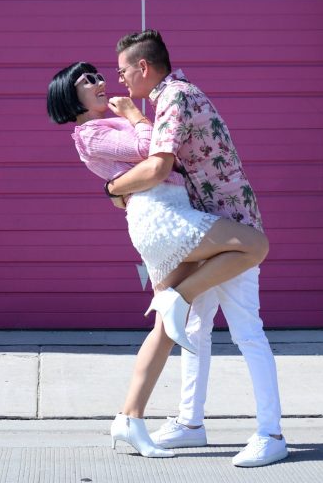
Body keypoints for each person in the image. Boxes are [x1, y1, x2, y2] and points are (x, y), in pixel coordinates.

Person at [47, 60, 269, 459]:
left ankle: (129, 418)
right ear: (69, 96)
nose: (99, 82)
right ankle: (178, 300)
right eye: (87, 81)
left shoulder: (106, 126)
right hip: (162, 218)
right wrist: (135, 115)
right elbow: (151, 152)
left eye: (98, 76)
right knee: (252, 245)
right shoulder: (91, 133)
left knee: (168, 328)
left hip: (169, 212)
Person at [111, 28, 288, 468]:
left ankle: (272, 433)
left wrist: (114, 189)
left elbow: (158, 165)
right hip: (204, 229)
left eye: (123, 71)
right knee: (194, 331)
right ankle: (191, 424)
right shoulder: (172, 97)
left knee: (247, 331)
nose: (121, 81)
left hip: (232, 235)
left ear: (144, 67)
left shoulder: (175, 97)